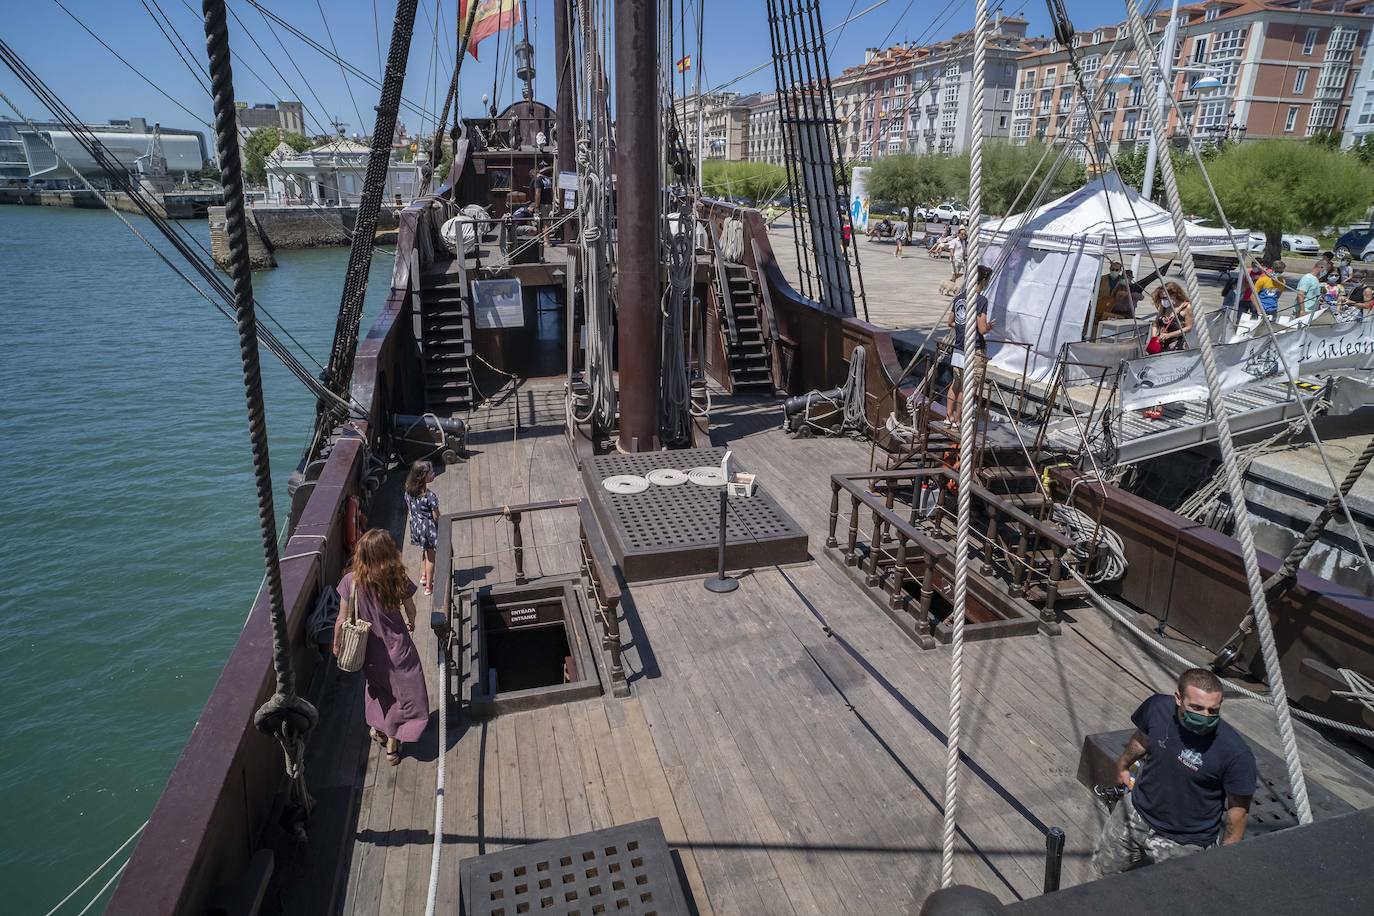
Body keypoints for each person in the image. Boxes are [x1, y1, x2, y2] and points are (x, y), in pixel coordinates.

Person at [1092, 668, 1256, 876]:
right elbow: (1142, 739)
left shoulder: (1236, 753)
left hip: (1184, 841)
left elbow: (1237, 812)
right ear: (1178, 698)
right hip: (1136, 813)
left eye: (1213, 711)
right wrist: (1123, 765)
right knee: (1104, 872)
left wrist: (1225, 858)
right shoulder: (1157, 707)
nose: (1205, 716)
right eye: (1197, 707)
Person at [335, 529, 430, 766]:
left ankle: (379, 727)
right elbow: (410, 608)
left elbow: (341, 619)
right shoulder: (395, 576)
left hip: (369, 650)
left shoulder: (350, 581)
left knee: (379, 688)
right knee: (406, 693)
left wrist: (337, 644)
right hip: (397, 647)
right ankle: (392, 743)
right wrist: (411, 621)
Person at [945, 264, 995, 425]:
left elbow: (950, 322)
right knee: (968, 387)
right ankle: (959, 420)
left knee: (956, 384)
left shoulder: (959, 297)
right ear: (984, 280)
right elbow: (981, 328)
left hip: (959, 347)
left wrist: (963, 327)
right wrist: (989, 327)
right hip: (975, 350)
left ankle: (949, 417)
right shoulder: (980, 300)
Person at [1142, 283, 1193, 420]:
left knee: (1163, 374)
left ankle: (1158, 406)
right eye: (1162, 297)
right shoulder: (1163, 307)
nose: (1164, 300)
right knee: (1153, 374)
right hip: (1160, 344)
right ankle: (1152, 404)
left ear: (1174, 295)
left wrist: (1170, 335)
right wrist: (1154, 336)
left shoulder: (1186, 307)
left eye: (1166, 297)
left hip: (1175, 344)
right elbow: (1156, 323)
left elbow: (1188, 327)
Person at [404, 460, 440, 596]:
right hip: (428, 528)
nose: (433, 474)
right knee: (431, 556)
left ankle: (424, 575)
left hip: (416, 526)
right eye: (430, 473)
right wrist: (440, 526)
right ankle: (429, 587)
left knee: (424, 550)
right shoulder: (430, 496)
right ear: (423, 477)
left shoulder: (408, 491)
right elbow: (436, 516)